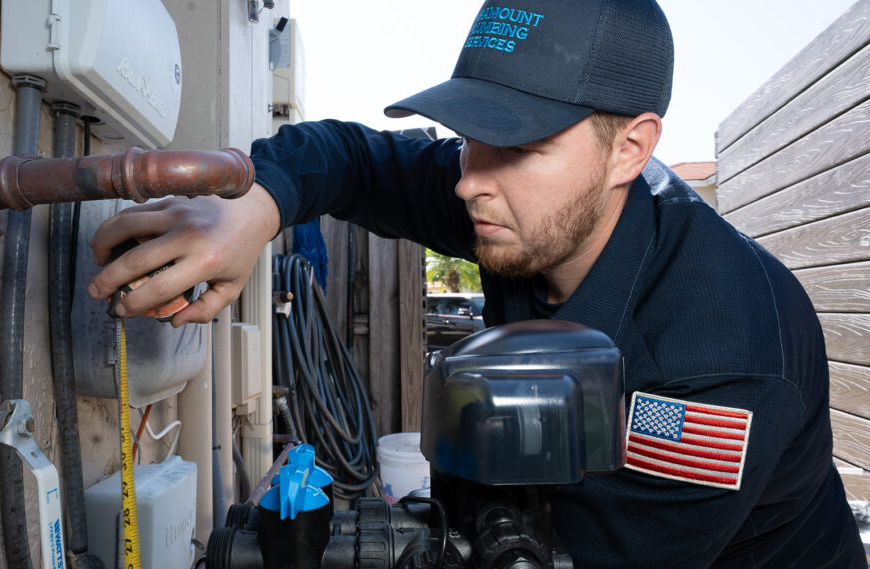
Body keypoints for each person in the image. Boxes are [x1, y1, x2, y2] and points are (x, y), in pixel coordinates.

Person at [87, 0, 867, 566]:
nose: (469, 182)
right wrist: (252, 209)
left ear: (629, 149)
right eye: (470, 139)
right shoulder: (522, 204)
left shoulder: (716, 360)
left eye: (518, 143)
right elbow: (352, 158)